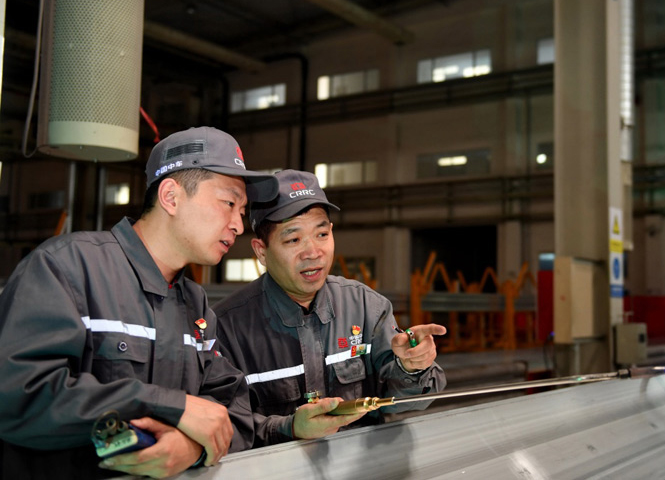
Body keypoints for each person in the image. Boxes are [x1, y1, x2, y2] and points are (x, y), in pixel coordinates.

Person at [0, 127, 279, 479]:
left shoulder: (195, 304)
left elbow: (234, 411)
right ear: (171, 196)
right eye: (229, 203)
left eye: (242, 211)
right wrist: (171, 407)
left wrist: (190, 447)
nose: (239, 225)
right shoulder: (66, 268)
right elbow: (17, 396)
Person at [214, 169, 447, 447]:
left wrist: (411, 367)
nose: (313, 252)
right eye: (293, 239)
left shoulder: (365, 307)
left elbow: (403, 402)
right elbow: (223, 427)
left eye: (321, 234)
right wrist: (288, 428)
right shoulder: (227, 328)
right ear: (261, 251)